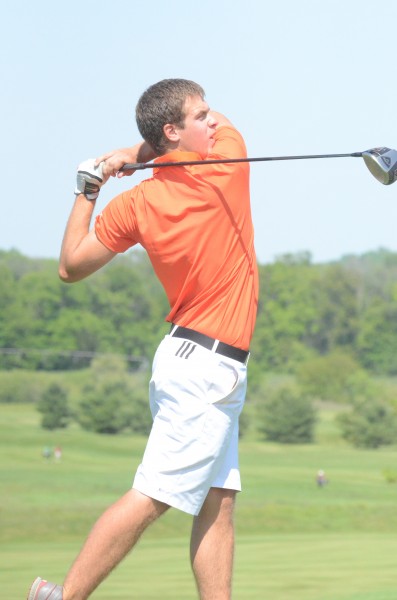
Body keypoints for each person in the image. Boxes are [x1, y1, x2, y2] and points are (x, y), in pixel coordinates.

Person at [27, 78, 258, 600]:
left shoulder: (136, 202)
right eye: (202, 116)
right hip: (206, 369)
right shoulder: (229, 161)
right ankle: (63, 598)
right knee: (154, 495)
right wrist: (132, 154)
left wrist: (91, 186)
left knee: (217, 500)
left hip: (191, 360)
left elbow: (71, 266)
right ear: (173, 131)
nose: (214, 121)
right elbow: (168, 144)